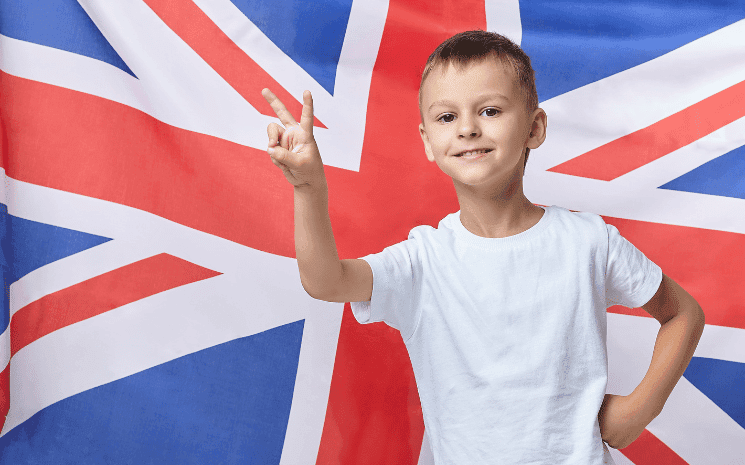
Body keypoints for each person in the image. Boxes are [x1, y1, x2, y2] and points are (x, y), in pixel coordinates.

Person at [260, 30, 705, 465]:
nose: (469, 128)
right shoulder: (423, 261)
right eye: (447, 117)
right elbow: (325, 281)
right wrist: (308, 188)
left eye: (490, 110)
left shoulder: (589, 242)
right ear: (427, 142)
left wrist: (639, 410)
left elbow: (683, 313)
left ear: (534, 128)